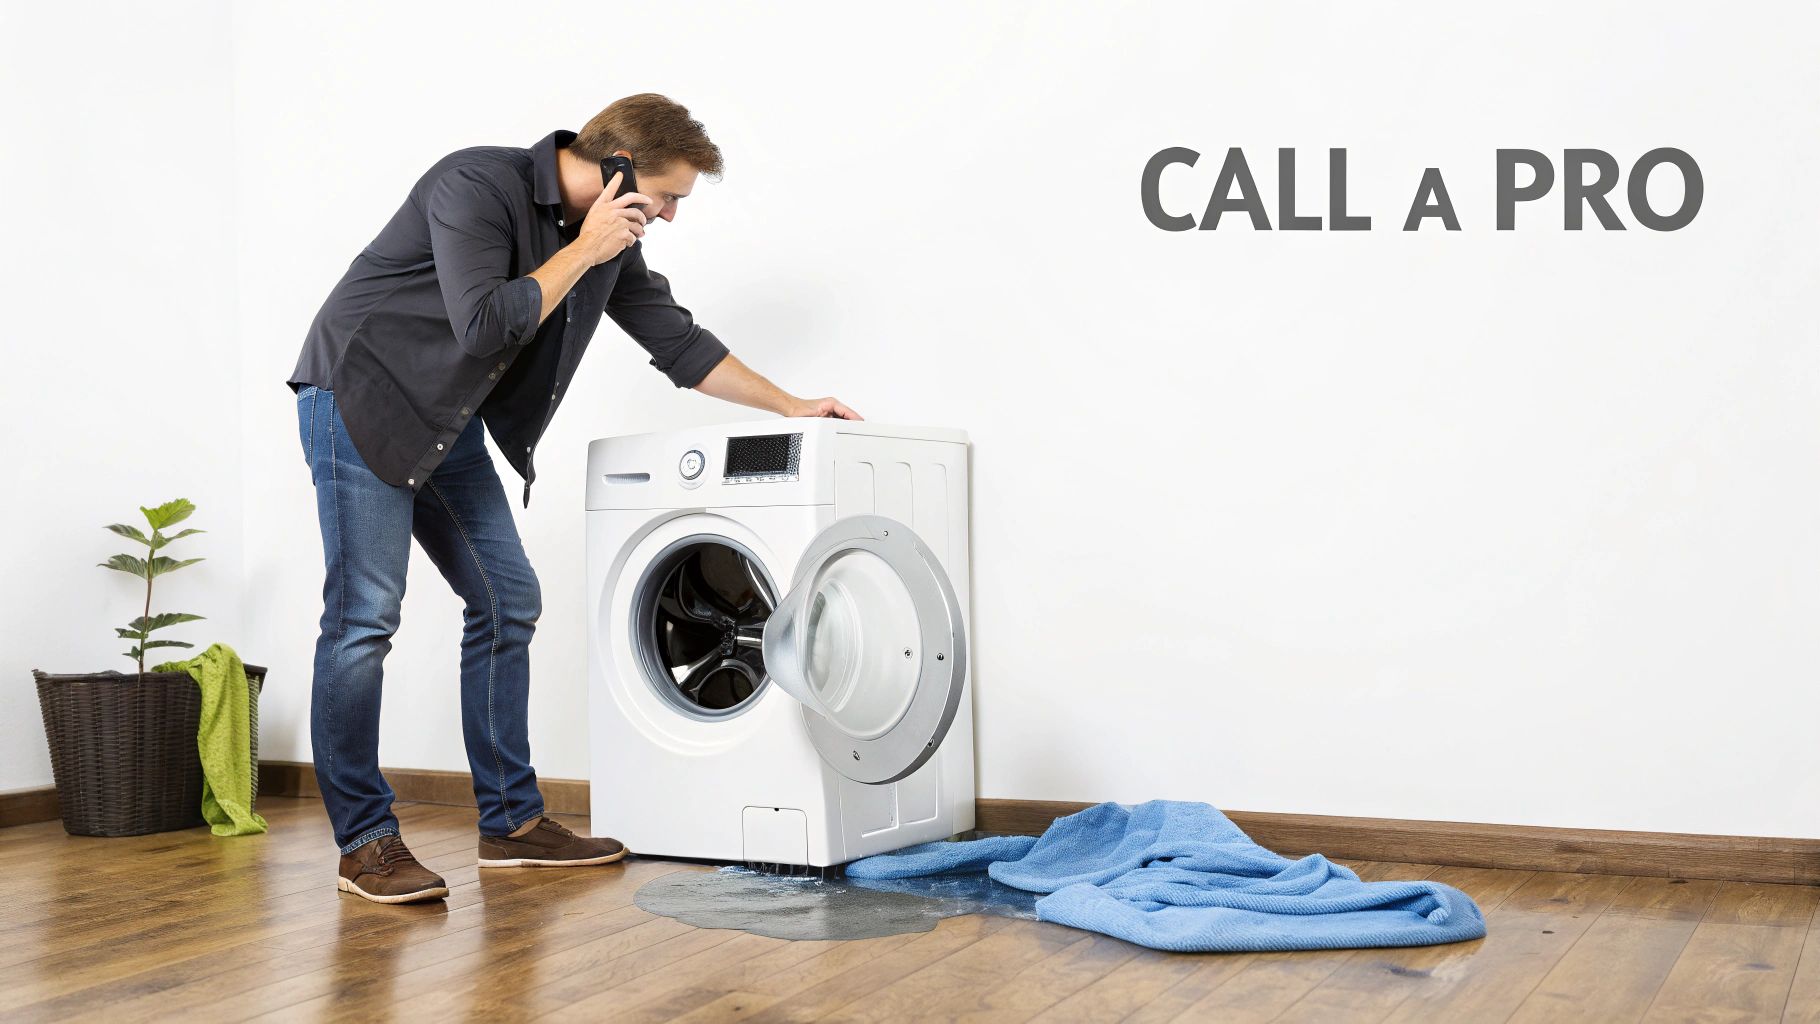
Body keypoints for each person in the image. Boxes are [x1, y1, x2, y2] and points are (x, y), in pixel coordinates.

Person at [287, 94, 860, 904]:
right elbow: (485, 324)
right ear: (618, 166)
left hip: (443, 422)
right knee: (364, 618)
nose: (667, 215)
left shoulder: (608, 246)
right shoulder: (474, 185)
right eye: (666, 196)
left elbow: (678, 343)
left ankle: (511, 827)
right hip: (360, 396)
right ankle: (366, 844)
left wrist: (791, 406)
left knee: (507, 598)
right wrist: (587, 249)